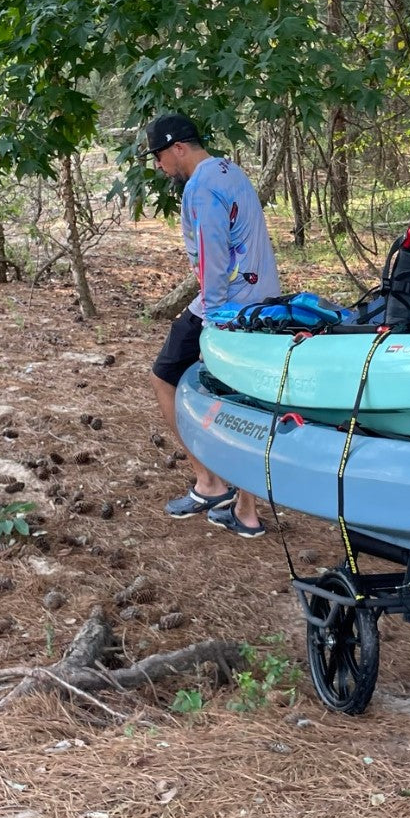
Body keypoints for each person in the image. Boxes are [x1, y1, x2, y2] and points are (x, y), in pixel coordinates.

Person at [140, 113, 281, 537]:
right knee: (246, 399)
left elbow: (212, 257)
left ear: (178, 148)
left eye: (160, 157)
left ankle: (210, 481)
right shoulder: (231, 170)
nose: (160, 167)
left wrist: (212, 324)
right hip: (263, 301)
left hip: (227, 306)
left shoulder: (200, 189)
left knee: (163, 376)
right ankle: (246, 511)